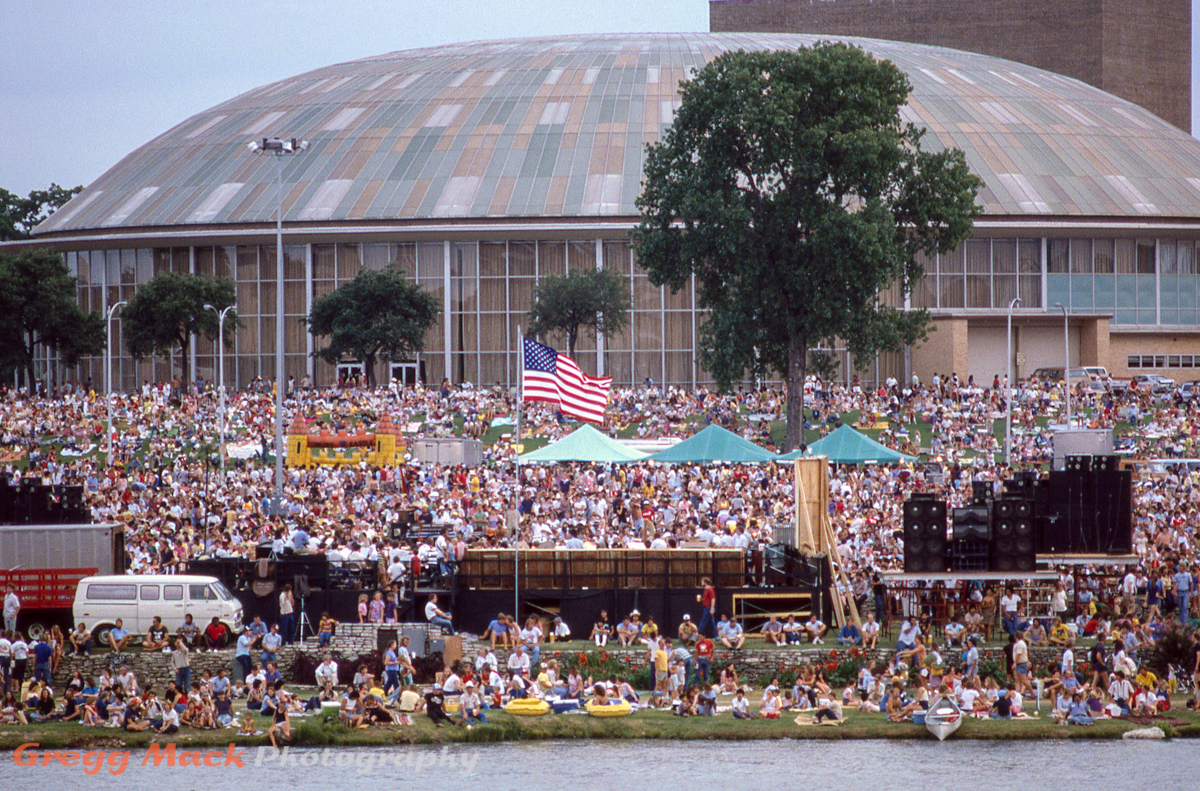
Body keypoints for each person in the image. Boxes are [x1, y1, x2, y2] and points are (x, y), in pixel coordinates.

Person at [266, 681, 291, 747]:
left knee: (285, 730)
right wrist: (273, 724)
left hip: (283, 722)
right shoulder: (276, 710)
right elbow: (273, 718)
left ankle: (289, 739)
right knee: (270, 731)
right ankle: (274, 743)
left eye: (282, 706)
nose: (281, 706)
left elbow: (287, 720)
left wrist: (287, 728)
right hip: (277, 723)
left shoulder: (285, 712)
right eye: (280, 705)